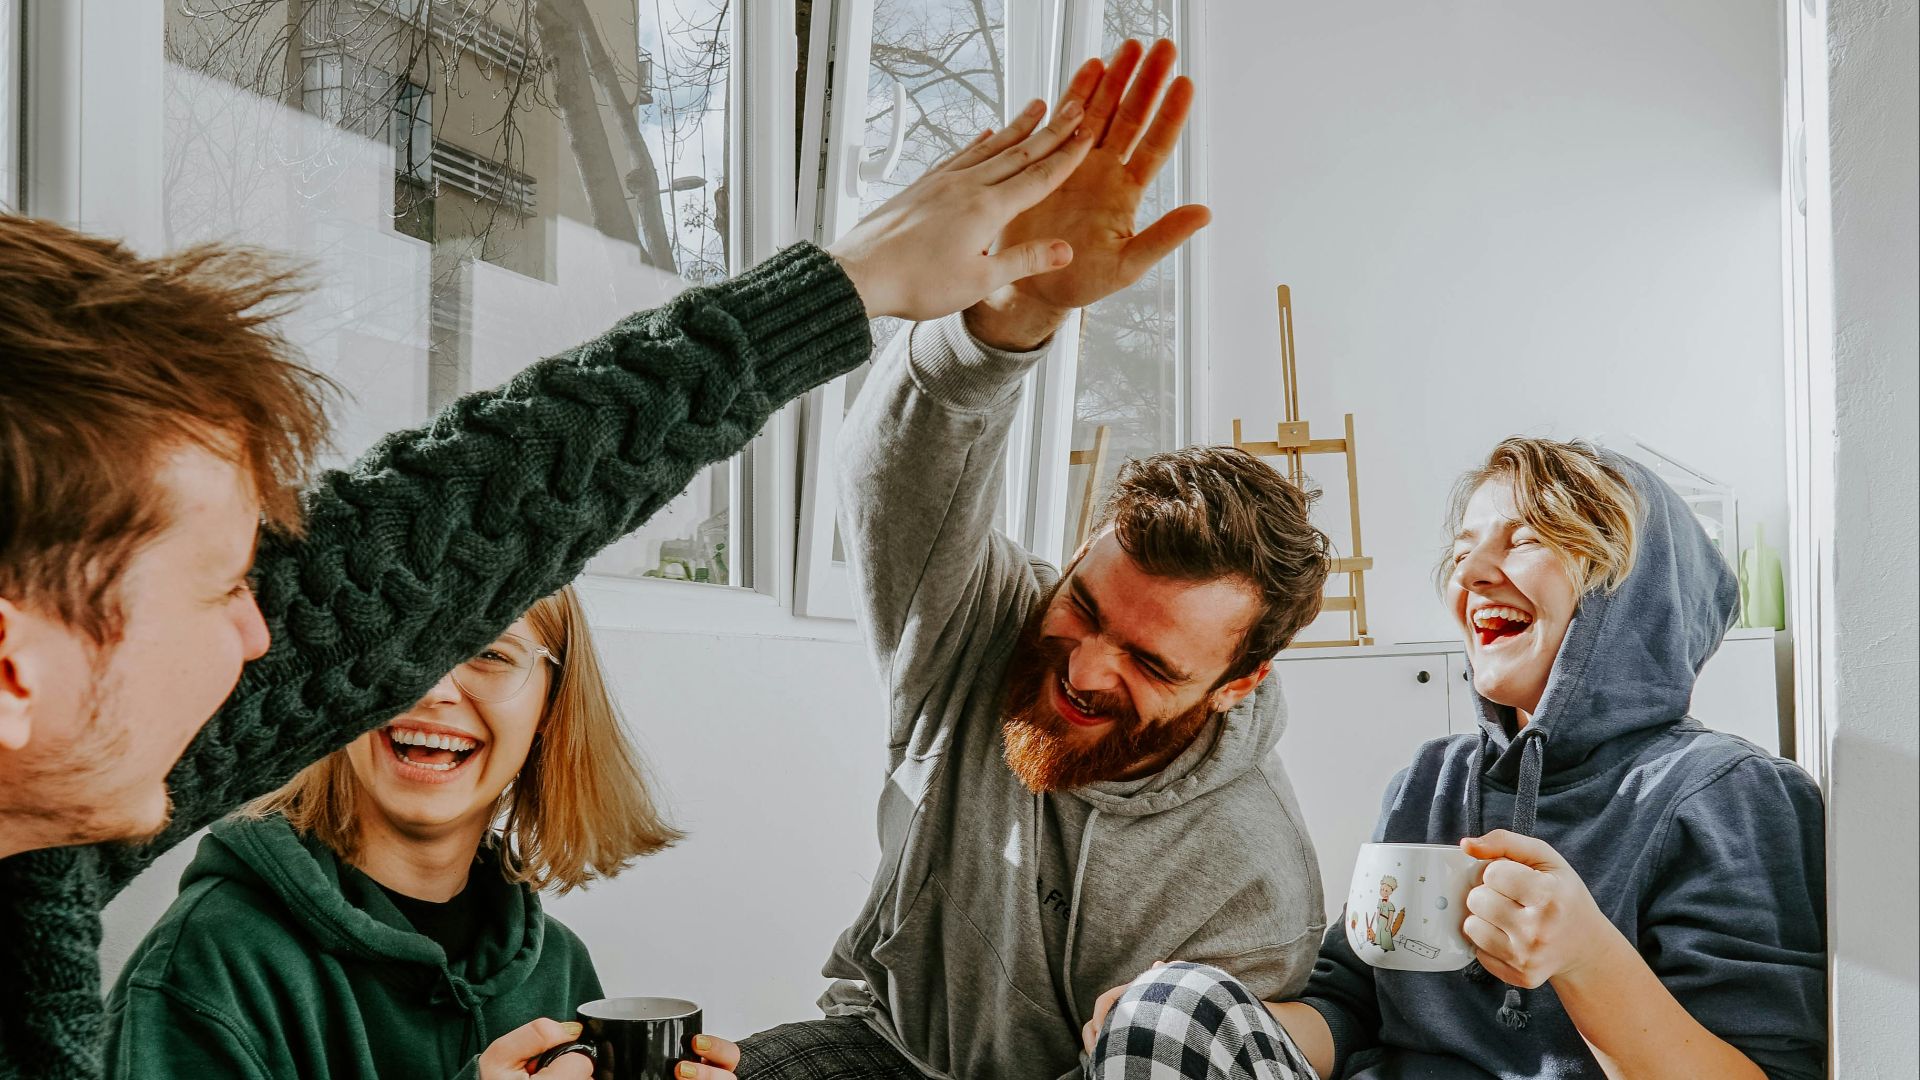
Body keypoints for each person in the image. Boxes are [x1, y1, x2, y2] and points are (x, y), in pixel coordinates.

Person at [0, 92, 1097, 1077]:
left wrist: (849, 286)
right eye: (222, 587)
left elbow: (439, 533)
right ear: (15, 670)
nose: (261, 634)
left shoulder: (36, 846)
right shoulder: (189, 949)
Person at [735, 40, 1334, 1080]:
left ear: (1238, 686)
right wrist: (1014, 319)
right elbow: (898, 474)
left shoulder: (1253, 884)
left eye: (1153, 664)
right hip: (875, 1049)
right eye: (1087, 607)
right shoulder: (982, 632)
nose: (1088, 668)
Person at [1084, 438, 1828, 1080]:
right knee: (1171, 1009)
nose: (1471, 574)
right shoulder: (1432, 780)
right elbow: (1350, 1005)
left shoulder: (1728, 795)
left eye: (1526, 538)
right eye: (1465, 547)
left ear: (1628, 589)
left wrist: (1586, 956)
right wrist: (1196, 1014)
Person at [103, 585, 738, 1079]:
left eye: (490, 653)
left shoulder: (558, 966)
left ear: (550, 705)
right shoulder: (208, 961)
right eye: (404, 644)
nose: (433, 690)